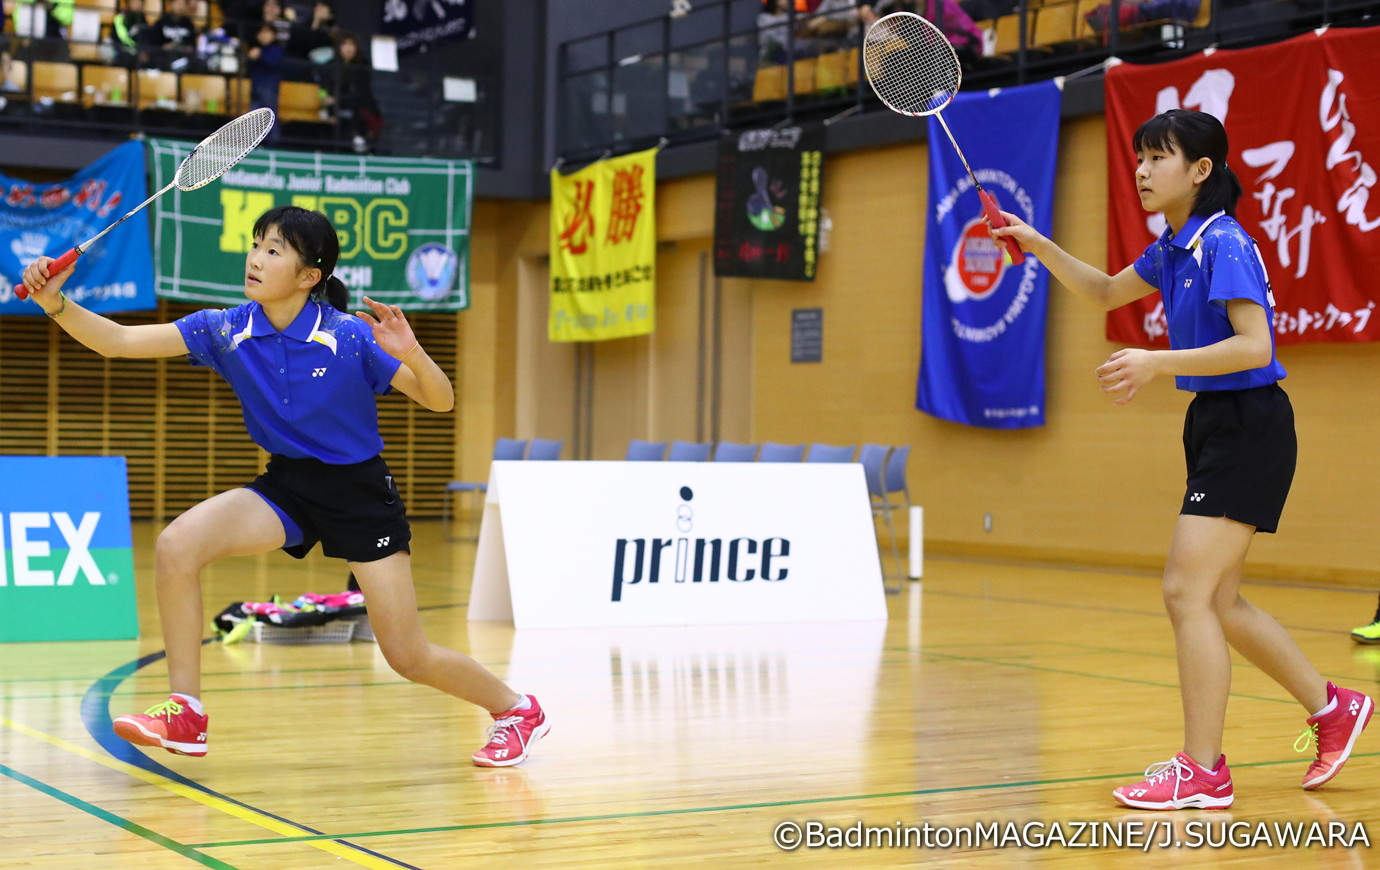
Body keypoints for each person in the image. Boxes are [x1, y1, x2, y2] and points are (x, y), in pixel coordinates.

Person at [19, 205, 549, 769]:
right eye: (256, 244)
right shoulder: (225, 328)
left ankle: (518, 709)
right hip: (288, 485)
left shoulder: (347, 337)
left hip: (358, 493)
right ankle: (186, 710)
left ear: (308, 277)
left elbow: (439, 400)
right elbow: (119, 343)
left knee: (407, 654)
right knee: (177, 545)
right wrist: (56, 303)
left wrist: (410, 352)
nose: (255, 257)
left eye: (275, 250)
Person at [988, 109, 1372, 809]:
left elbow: (1256, 347)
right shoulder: (1175, 246)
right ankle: (1333, 708)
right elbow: (1106, 291)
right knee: (1216, 599)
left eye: (1157, 157)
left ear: (1200, 170)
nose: (1140, 169)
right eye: (1137, 156)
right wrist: (1037, 243)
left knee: (1183, 593)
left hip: (1249, 423)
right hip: (1215, 424)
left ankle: (1203, 770)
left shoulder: (1223, 242)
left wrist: (1155, 361)